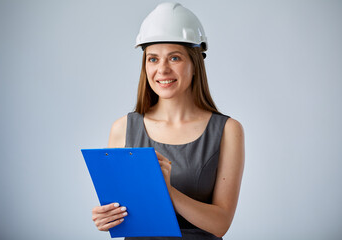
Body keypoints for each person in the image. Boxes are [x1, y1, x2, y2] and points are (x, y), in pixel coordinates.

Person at [91, 2, 244, 240]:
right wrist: (106, 217)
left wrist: (167, 191)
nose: (162, 69)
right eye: (152, 59)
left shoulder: (227, 130)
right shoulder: (122, 129)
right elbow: (123, 210)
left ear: (195, 63)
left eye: (174, 58)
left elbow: (220, 224)